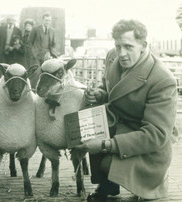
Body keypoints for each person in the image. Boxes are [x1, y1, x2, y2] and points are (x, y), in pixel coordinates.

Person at [75, 19, 178, 201]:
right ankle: (108, 185)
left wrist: (105, 145)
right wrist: (99, 95)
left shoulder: (162, 79)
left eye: (128, 46)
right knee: (90, 127)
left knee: (105, 159)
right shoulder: (112, 57)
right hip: (122, 126)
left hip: (147, 147)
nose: (121, 53)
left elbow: (155, 135)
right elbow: (111, 90)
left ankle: (142, 189)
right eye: (118, 46)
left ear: (143, 45)